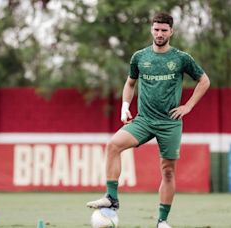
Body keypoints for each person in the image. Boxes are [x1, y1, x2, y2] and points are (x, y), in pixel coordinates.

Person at [86, 12, 210, 228]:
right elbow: (130, 83)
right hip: (144, 120)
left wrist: (188, 106)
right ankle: (112, 197)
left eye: (164, 30)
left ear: (171, 31)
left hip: (170, 123)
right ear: (151, 30)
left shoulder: (181, 58)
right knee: (113, 145)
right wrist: (125, 108)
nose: (159, 33)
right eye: (156, 29)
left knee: (168, 171)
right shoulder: (139, 57)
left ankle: (162, 221)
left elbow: (204, 81)